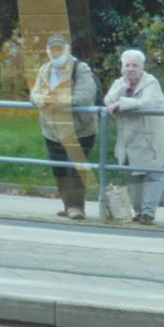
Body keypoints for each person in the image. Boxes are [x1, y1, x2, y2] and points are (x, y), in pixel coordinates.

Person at [104, 48, 164, 225]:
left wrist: (120, 103)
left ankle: (148, 213)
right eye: (126, 65)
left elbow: (146, 103)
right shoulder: (119, 83)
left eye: (135, 65)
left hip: (154, 142)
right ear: (122, 67)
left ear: (143, 67)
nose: (130, 69)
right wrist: (121, 91)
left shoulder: (151, 83)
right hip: (130, 142)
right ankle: (138, 212)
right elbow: (107, 101)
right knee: (134, 177)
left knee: (155, 176)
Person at [31, 32, 99, 220]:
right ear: (47, 51)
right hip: (52, 130)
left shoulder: (80, 69)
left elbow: (85, 96)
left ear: (67, 50)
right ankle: (68, 205)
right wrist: (42, 100)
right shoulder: (44, 70)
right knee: (59, 169)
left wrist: (56, 101)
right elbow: (34, 94)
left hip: (80, 129)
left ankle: (77, 207)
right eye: (53, 50)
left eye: (60, 49)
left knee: (75, 168)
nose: (56, 53)